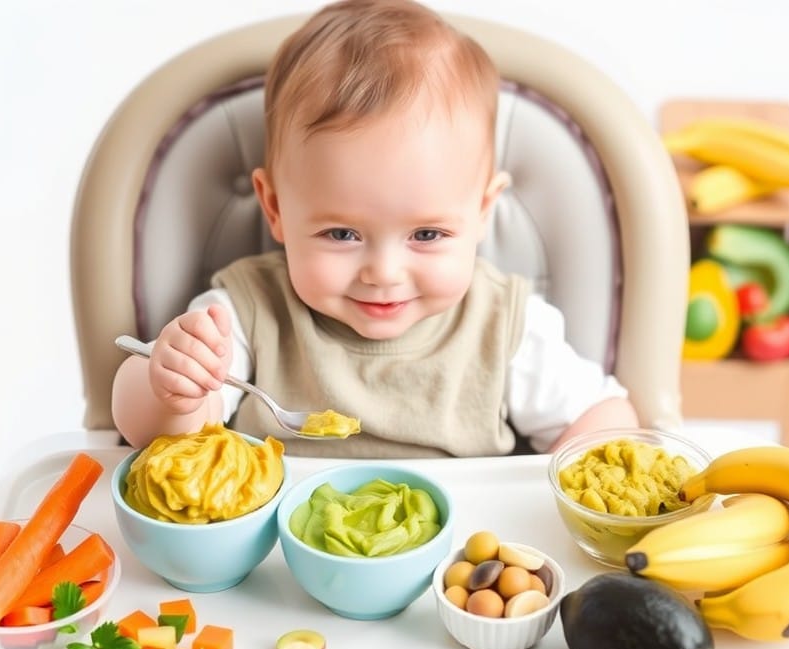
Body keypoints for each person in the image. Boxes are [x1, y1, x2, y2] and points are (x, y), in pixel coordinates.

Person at [111, 0, 638, 457]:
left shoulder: (506, 330)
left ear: (483, 212)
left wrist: (573, 482)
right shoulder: (245, 316)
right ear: (275, 208)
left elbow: (604, 421)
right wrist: (170, 389)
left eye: (427, 235)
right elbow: (152, 437)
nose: (384, 274)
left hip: (459, 571)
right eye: (342, 234)